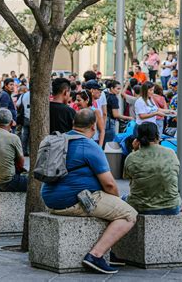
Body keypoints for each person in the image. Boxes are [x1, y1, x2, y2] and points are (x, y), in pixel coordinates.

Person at [41, 109, 137, 274]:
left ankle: (109, 251)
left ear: (73, 124)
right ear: (94, 127)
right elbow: (109, 184)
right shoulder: (89, 145)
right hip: (74, 201)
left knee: (110, 209)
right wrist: (117, 201)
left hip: (50, 199)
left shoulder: (61, 139)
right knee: (128, 214)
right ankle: (95, 256)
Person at [123, 122, 182, 265]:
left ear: (137, 139)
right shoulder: (170, 153)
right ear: (157, 136)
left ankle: (119, 248)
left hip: (140, 206)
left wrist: (134, 150)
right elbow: (175, 173)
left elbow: (128, 178)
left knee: (121, 199)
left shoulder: (132, 158)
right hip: (170, 206)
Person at [16, 89, 30, 156]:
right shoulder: (38, 95)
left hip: (25, 117)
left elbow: (18, 104)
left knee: (25, 134)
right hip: (34, 118)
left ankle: (24, 150)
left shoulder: (23, 95)